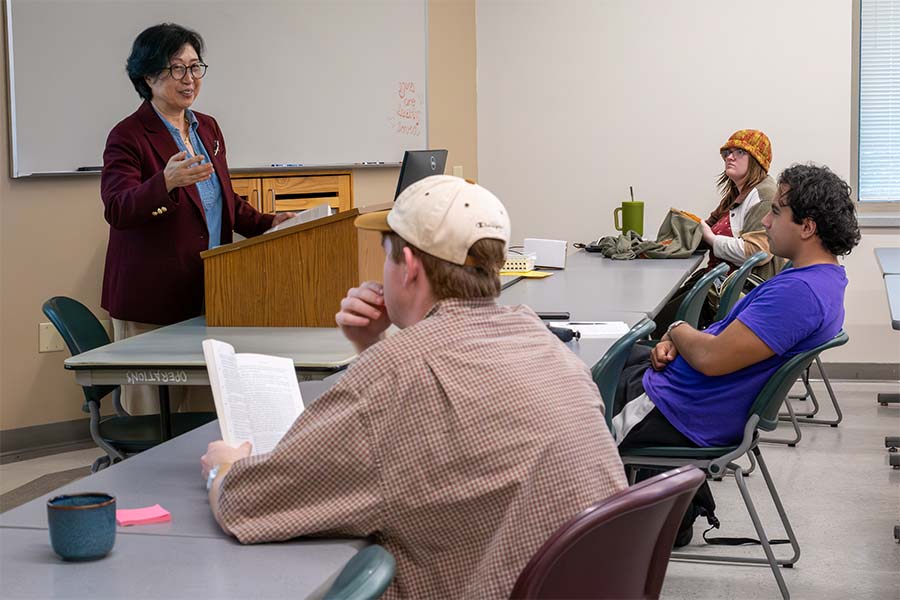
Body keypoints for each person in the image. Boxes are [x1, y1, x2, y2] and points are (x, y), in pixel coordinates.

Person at [200, 175, 628, 598]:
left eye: (386, 258)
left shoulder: (398, 373)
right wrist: (373, 345)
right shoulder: (541, 341)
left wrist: (223, 467)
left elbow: (249, 505)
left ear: (410, 266)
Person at [612, 164, 860, 542]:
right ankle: (669, 506)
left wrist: (677, 331)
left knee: (579, 387)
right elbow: (718, 344)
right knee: (620, 353)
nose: (767, 223)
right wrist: (674, 341)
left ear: (807, 227)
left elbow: (712, 359)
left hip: (680, 409)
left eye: (777, 212)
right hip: (690, 398)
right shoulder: (818, 281)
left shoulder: (798, 294)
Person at [101, 23, 294, 414]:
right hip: (151, 302)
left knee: (207, 414)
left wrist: (270, 223)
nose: (190, 80)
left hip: (211, 292)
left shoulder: (206, 127)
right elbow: (118, 208)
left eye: (195, 67)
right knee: (155, 419)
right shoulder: (128, 135)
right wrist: (165, 183)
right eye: (177, 69)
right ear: (148, 75)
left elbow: (222, 201)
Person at [654, 129, 781, 336]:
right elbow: (709, 225)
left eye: (739, 152)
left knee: (662, 318)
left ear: (757, 160)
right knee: (662, 311)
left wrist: (711, 238)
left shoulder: (763, 195)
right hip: (720, 279)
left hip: (740, 289)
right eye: (727, 152)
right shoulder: (738, 193)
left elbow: (757, 253)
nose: (729, 157)